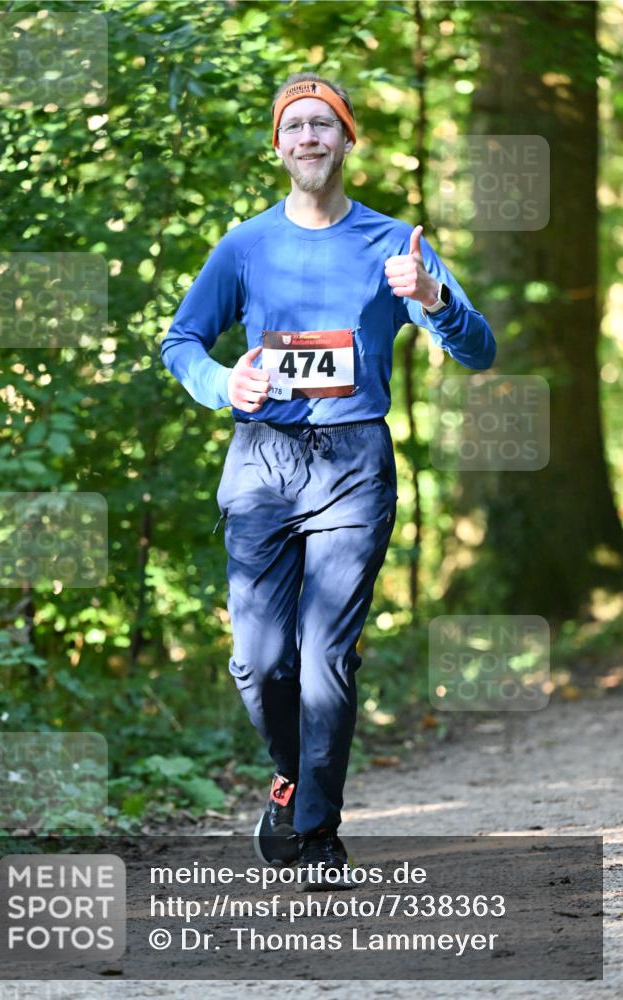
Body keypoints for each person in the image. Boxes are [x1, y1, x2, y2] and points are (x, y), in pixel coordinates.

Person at [161, 72, 496, 890]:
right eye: (295, 126)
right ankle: (292, 778)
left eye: (324, 125)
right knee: (258, 661)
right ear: (277, 146)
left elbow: (479, 350)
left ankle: (317, 834)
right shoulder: (244, 245)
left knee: (326, 659)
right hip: (262, 464)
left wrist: (435, 299)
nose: (309, 138)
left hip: (353, 465)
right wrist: (219, 384)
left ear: (348, 140)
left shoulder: (393, 245)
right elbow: (182, 341)